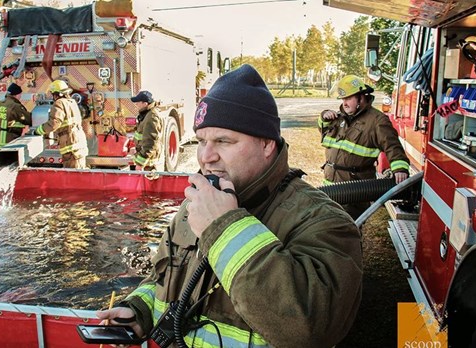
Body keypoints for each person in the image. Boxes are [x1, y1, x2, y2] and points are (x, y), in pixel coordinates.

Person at [97, 65, 363, 347]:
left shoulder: (323, 222)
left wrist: (224, 229)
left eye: (224, 141)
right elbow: (161, 277)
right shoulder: (197, 205)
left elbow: (309, 329)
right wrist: (139, 310)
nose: (206, 156)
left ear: (266, 144)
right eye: (201, 141)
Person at [319, 75, 410, 218]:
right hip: (330, 186)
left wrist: (400, 168)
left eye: (348, 98)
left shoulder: (377, 121)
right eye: (343, 99)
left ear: (361, 98)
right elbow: (324, 132)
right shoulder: (341, 117)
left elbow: (392, 145)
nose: (345, 103)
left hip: (354, 191)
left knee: (347, 231)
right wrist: (323, 117)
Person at [34, 80, 88, 169]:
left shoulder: (59, 103)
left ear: (57, 94)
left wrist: (38, 130)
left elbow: (54, 123)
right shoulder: (72, 102)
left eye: (52, 94)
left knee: (72, 177)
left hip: (71, 147)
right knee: (79, 174)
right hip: (78, 144)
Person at [0, 82, 32, 151]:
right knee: (11, 160)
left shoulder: (0, 104)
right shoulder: (15, 106)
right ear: (17, 94)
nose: (20, 97)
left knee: (0, 160)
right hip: (8, 141)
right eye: (20, 94)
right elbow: (29, 120)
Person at [131, 90, 162, 171]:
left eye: (138, 102)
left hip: (148, 162)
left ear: (145, 103)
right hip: (147, 160)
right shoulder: (147, 114)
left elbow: (150, 143)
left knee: (149, 181)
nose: (136, 104)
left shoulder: (151, 117)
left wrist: (140, 164)